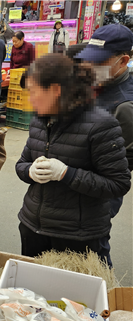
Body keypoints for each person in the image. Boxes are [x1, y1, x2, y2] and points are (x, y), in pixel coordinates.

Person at [15, 54, 131, 260]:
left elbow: (118, 184)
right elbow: (22, 163)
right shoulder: (39, 121)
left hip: (77, 236)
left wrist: (67, 174)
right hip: (33, 227)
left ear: (55, 90)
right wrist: (29, 171)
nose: (30, 100)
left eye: (33, 92)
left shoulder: (101, 125)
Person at [75, 24, 133, 266]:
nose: (90, 66)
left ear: (123, 61)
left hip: (97, 196)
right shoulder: (96, 84)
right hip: (73, 184)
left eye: (98, 62)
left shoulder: (125, 106)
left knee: (91, 255)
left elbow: (115, 171)